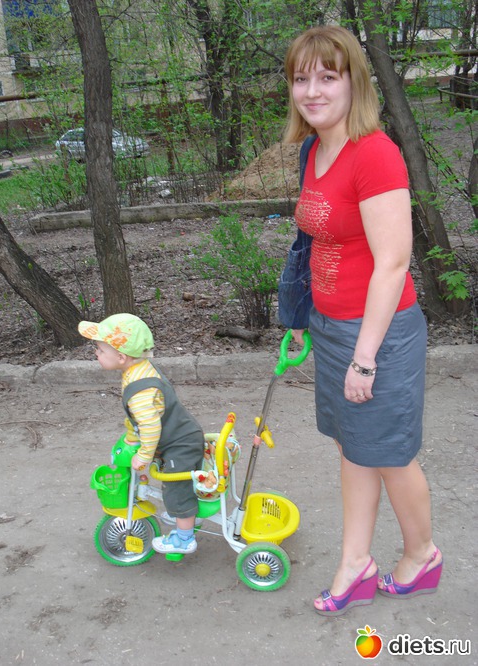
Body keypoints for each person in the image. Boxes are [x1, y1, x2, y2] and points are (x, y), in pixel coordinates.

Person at [282, 25, 442, 616]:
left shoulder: (374, 153)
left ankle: (422, 554)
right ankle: (357, 562)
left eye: (328, 76)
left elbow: (393, 262)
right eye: (301, 79)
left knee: (389, 454)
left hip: (378, 336)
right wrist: (300, 316)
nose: (312, 91)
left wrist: (365, 357)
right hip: (331, 327)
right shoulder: (313, 150)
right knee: (354, 447)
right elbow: (315, 243)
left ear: (355, 82)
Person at [79, 313, 204, 555]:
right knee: (174, 486)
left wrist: (144, 454)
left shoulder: (140, 391)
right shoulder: (137, 370)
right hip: (176, 436)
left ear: (121, 357)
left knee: (176, 487)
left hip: (181, 443)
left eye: (100, 350)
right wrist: (131, 438)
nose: (96, 353)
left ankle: (184, 538)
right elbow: (137, 419)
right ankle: (183, 514)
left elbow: (150, 426)